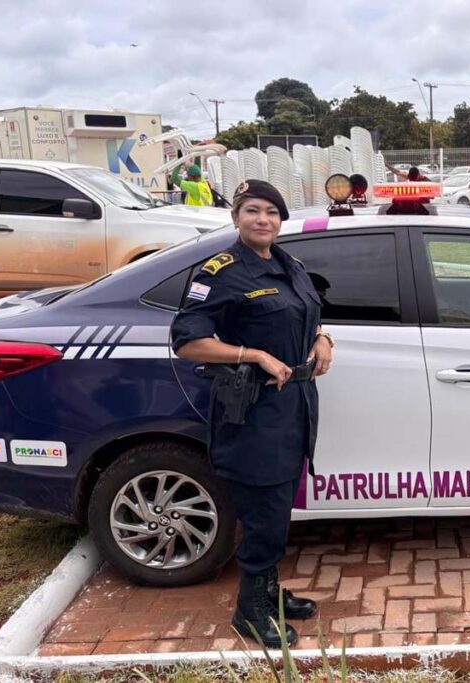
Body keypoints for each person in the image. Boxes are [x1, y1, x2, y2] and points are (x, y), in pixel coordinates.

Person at [170, 179, 334, 647]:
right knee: (264, 514)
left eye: (272, 213)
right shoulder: (220, 273)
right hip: (255, 411)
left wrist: (323, 338)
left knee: (277, 510)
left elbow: (307, 315)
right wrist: (252, 354)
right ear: (236, 217)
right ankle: (249, 611)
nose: (263, 220)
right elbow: (187, 341)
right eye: (253, 211)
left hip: (295, 407)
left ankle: (267, 593)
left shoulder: (288, 264)